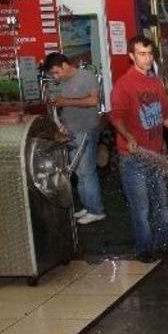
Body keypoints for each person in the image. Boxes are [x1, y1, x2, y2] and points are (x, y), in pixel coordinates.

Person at [108, 35, 168, 263]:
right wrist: (128, 137)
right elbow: (116, 118)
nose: (147, 59)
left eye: (149, 54)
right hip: (134, 158)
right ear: (131, 56)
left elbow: (164, 116)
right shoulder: (124, 85)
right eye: (141, 54)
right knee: (141, 208)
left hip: (156, 156)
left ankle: (163, 244)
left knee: (162, 207)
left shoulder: (156, 83)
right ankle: (144, 249)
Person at [42, 52, 106, 225]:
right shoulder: (65, 82)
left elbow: (93, 101)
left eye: (56, 72)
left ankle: (96, 211)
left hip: (85, 129)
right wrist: (61, 121)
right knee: (78, 171)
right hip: (72, 130)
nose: (56, 76)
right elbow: (67, 105)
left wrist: (65, 101)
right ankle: (88, 205)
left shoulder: (86, 76)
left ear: (64, 65)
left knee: (86, 171)